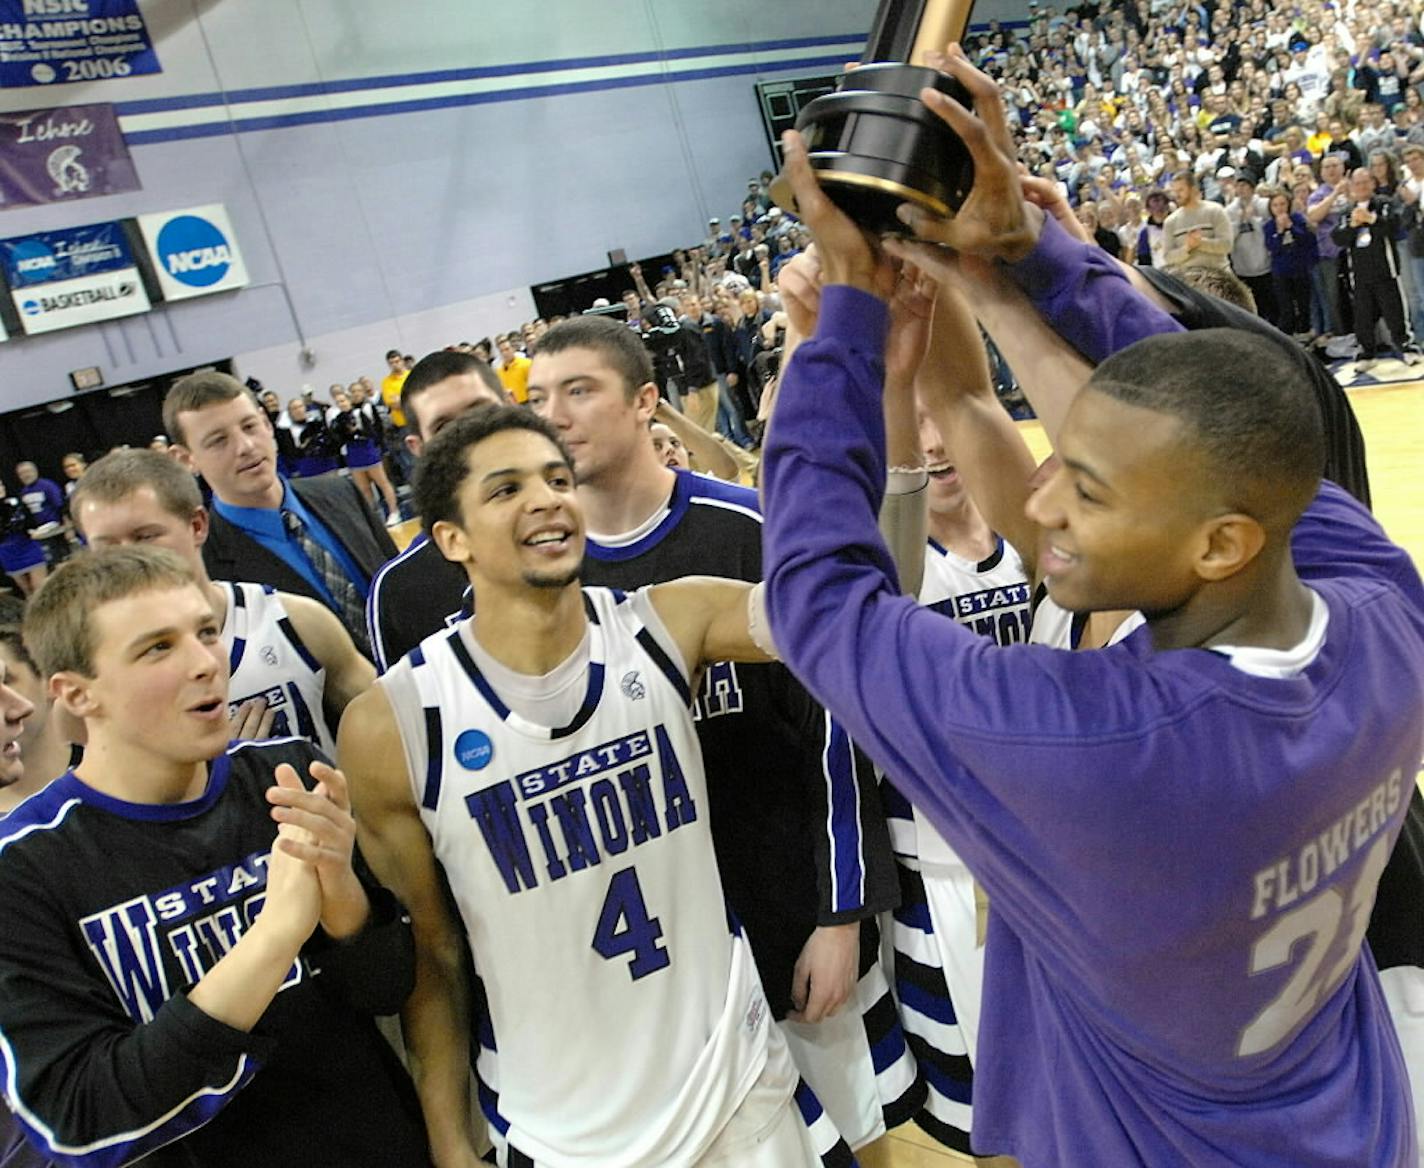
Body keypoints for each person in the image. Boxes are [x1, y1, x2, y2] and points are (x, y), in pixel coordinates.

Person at [766, 44, 1424, 1167]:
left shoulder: (1085, 739)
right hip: (1345, 1116)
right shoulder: (1382, 615)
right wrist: (1027, 251)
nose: (1039, 496)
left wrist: (844, 324)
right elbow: (1200, 408)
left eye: (1086, 487)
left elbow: (818, 596)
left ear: (1219, 543)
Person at [340, 406, 856, 1167]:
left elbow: (853, 616)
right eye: (507, 488)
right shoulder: (393, 724)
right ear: (450, 539)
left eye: (557, 478)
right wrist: (451, 1143)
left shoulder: (667, 623)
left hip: (734, 1083)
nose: (547, 498)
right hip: (560, 1127)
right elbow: (434, 954)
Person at [527, 317, 916, 1162]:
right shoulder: (538, 577)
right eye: (537, 399)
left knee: (859, 1131)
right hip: (659, 951)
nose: (554, 414)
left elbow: (836, 731)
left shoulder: (749, 529)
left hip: (785, 899)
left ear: (646, 401)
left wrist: (842, 912)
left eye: (579, 390)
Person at [0, 546, 430, 1167]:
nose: (205, 663)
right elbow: (81, 1123)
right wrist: (274, 935)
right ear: (77, 694)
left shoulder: (279, 773)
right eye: (157, 648)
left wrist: (345, 899)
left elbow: (388, 988)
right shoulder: (25, 867)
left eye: (206, 632)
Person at [70, 448, 375, 756]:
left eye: (145, 536)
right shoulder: (93, 678)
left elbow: (392, 726)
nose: (128, 559)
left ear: (198, 526)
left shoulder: (294, 620)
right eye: (107, 546)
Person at [164, 371, 397, 658]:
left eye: (249, 426)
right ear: (186, 459)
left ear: (266, 423)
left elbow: (402, 588)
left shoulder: (341, 492)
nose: (245, 447)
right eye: (218, 441)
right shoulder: (205, 570)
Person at [364, 350, 505, 672]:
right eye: (444, 427)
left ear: (511, 405)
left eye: (480, 413)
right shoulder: (399, 589)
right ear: (418, 448)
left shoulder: (593, 528)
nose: (469, 435)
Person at [1332, 167, 1417, 368]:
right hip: (1360, 274)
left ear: (1372, 183)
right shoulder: (1346, 212)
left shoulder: (1384, 204)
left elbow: (1394, 226)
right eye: (1357, 183)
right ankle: (1366, 353)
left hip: (1385, 270)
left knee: (1394, 312)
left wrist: (1371, 219)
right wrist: (1353, 225)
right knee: (1363, 316)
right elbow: (1338, 238)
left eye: (1365, 182)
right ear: (1351, 186)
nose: (1361, 187)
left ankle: (1406, 347)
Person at [1264, 187, 1318, 337]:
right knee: (1286, 308)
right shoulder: (1269, 226)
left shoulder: (1298, 219)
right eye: (1275, 205)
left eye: (1282, 204)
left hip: (1300, 269)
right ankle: (1287, 336)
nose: (1279, 208)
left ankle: (1305, 334)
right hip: (1281, 272)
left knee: (1304, 306)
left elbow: (1307, 240)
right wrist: (1280, 232)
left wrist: (1290, 227)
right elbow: (1272, 248)